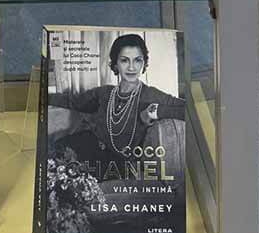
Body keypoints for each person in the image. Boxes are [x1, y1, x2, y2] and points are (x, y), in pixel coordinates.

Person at [49, 33, 185, 163]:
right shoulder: (104, 92)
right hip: (86, 147)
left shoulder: (150, 95)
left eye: (137, 60)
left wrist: (157, 112)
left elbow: (187, 109)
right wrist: (44, 97)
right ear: (115, 64)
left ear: (144, 63)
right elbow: (72, 102)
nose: (131, 67)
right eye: (124, 60)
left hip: (115, 163)